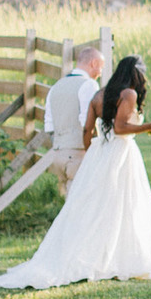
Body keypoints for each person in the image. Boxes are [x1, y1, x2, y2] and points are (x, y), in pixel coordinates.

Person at [0, 55, 151, 289]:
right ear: (135, 74)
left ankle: (103, 256)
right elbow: (120, 128)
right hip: (122, 153)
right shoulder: (128, 94)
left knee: (95, 207)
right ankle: (118, 259)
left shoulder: (99, 95)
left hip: (101, 152)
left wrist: (94, 155)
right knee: (125, 203)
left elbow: (87, 129)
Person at [41, 45, 106, 199]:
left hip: (58, 153)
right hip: (78, 153)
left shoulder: (56, 86)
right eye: (101, 68)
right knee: (81, 203)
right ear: (94, 63)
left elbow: (48, 125)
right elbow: (88, 123)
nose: (100, 73)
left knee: (68, 204)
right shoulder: (89, 85)